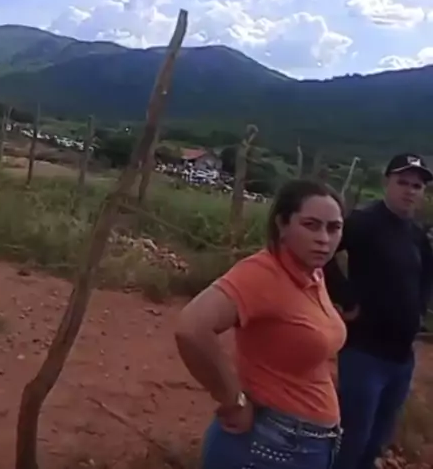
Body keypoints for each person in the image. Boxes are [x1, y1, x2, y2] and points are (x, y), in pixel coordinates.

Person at [175, 179, 346, 469]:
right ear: (282, 224)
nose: (324, 238)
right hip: (268, 445)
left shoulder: (312, 273)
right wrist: (233, 400)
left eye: (334, 228)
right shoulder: (262, 274)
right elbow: (191, 328)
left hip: (305, 443)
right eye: (311, 225)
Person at [325, 153, 433, 469]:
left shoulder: (416, 234)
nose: (410, 190)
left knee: (377, 439)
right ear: (387, 182)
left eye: (417, 186)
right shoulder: (364, 222)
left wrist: (420, 308)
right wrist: (346, 297)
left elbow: (426, 274)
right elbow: (324, 254)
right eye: (403, 182)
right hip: (364, 353)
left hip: (401, 359)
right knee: (352, 438)